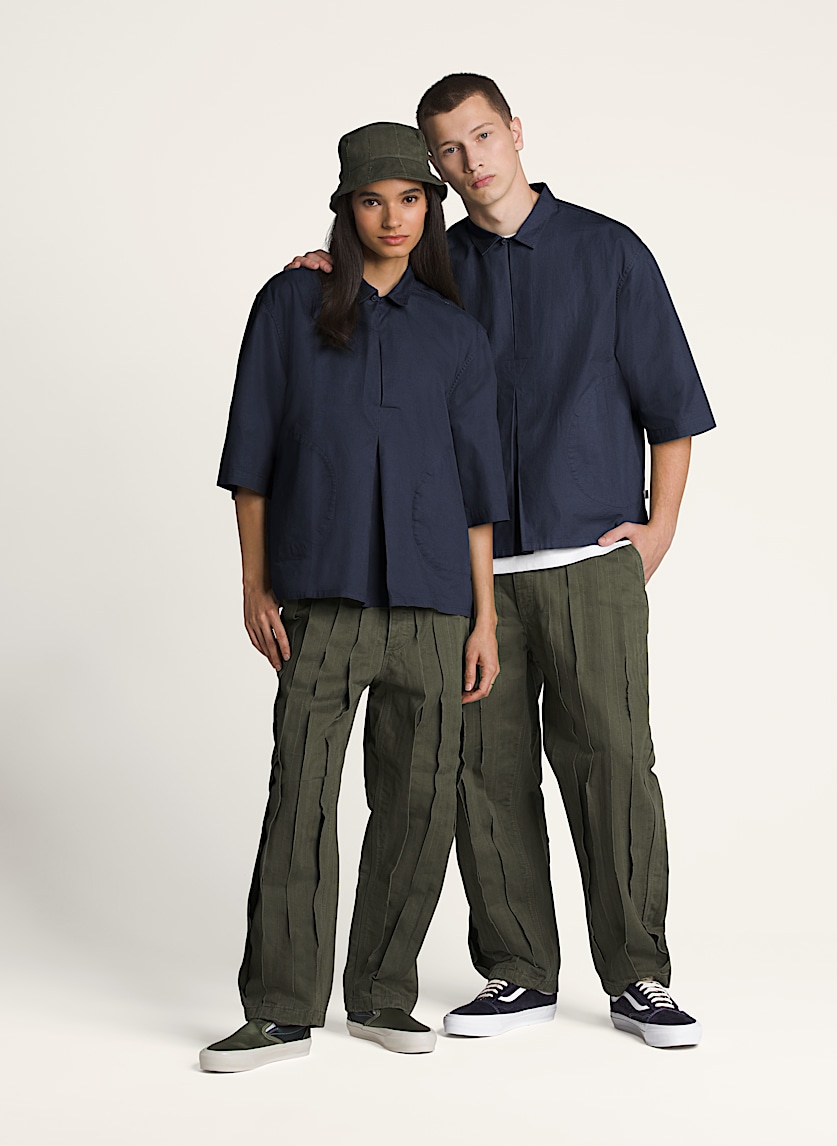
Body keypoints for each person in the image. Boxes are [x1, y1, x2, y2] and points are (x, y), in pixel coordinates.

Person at [290, 75, 716, 1050]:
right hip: (469, 575)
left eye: (482, 135)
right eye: (448, 149)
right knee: (482, 774)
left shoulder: (608, 251)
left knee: (613, 761)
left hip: (588, 559)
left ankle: (639, 975)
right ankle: (519, 972)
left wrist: (659, 528)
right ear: (434, 166)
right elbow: (361, 319)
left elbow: (672, 405)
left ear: (515, 132)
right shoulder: (432, 268)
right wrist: (323, 267)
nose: (470, 159)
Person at [201, 121, 508, 1072]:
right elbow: (253, 453)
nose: (393, 218)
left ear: (432, 209)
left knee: (420, 805)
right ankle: (280, 1010)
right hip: (321, 601)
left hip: (433, 607)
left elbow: (477, 492)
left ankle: (381, 995)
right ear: (346, 209)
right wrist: (253, 583)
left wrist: (486, 618)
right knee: (300, 798)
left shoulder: (456, 335)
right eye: (373, 200)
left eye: (411, 199)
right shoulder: (290, 304)